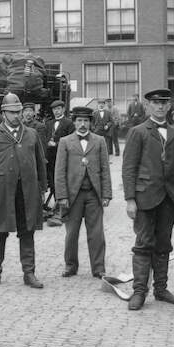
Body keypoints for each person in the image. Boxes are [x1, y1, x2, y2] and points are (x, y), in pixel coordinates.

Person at [121, 88, 174, 310]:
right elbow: (128, 167)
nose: (160, 107)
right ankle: (139, 292)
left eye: (164, 103)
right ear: (148, 105)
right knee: (143, 244)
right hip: (145, 197)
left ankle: (161, 289)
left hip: (168, 199)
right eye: (155, 103)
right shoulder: (138, 132)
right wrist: (130, 199)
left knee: (164, 245)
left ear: (169, 106)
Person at [0, 93, 47, 288]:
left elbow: (41, 163)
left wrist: (42, 188)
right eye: (12, 112)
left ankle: (29, 273)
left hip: (27, 191)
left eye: (19, 112)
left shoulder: (31, 134)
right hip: (2, 192)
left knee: (27, 231)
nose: (17, 116)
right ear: (3, 112)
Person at [55, 106, 111, 279]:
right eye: (79, 121)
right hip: (73, 195)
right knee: (72, 233)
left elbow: (105, 168)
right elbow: (59, 171)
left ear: (91, 123)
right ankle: (70, 265)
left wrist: (106, 194)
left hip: (93, 194)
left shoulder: (99, 141)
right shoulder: (65, 142)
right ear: (74, 122)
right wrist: (62, 196)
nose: (82, 124)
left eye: (86, 121)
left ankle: (98, 268)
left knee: (96, 233)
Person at [42, 100, 74, 223]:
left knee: (62, 181)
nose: (56, 111)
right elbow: (44, 138)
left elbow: (71, 139)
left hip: (63, 157)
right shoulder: (48, 123)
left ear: (63, 110)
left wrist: (56, 144)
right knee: (53, 182)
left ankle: (64, 209)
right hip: (50, 158)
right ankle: (57, 208)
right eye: (54, 109)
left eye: (59, 109)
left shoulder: (69, 123)